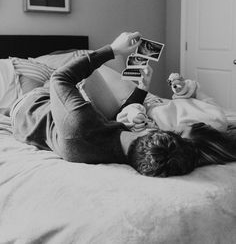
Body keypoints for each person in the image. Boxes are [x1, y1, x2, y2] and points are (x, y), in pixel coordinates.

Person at [10, 31, 198, 178]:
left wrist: (113, 50)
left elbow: (59, 77)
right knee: (110, 106)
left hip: (29, 105)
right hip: (69, 122)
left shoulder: (80, 125)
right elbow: (115, 121)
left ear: (149, 133)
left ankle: (33, 70)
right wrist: (143, 87)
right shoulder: (126, 149)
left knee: (88, 72)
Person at [117, 70, 236, 173]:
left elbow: (123, 115)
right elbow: (196, 94)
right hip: (161, 101)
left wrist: (135, 115)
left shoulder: (164, 137)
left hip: (141, 102)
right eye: (179, 133)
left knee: (104, 71)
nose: (172, 132)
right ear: (198, 126)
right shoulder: (218, 120)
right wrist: (183, 88)